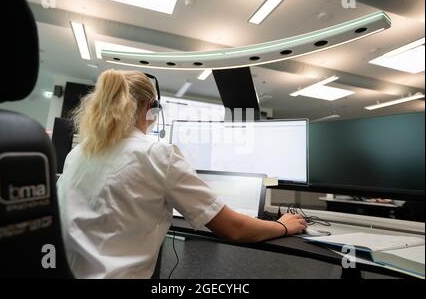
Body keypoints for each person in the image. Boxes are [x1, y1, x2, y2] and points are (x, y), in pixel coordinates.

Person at [57, 69, 307, 279]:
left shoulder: (77, 154)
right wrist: (282, 226)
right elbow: (234, 228)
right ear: (151, 109)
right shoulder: (157, 153)